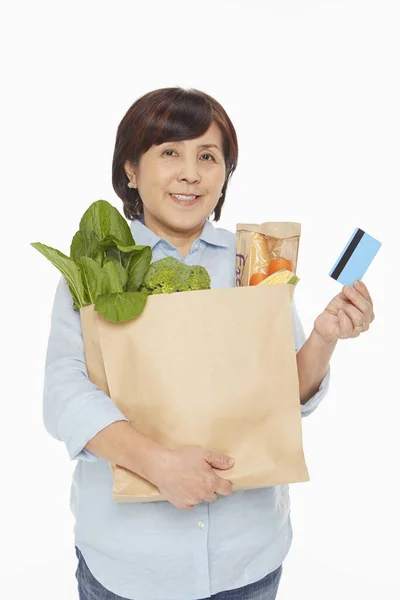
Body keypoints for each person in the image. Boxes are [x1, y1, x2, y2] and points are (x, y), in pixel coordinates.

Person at [43, 87, 375, 600]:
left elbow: (282, 398)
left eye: (208, 156)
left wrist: (323, 339)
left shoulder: (255, 263)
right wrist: (159, 465)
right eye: (170, 153)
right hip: (131, 566)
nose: (190, 173)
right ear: (131, 169)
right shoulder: (95, 268)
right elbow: (65, 397)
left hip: (249, 559)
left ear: (225, 175)